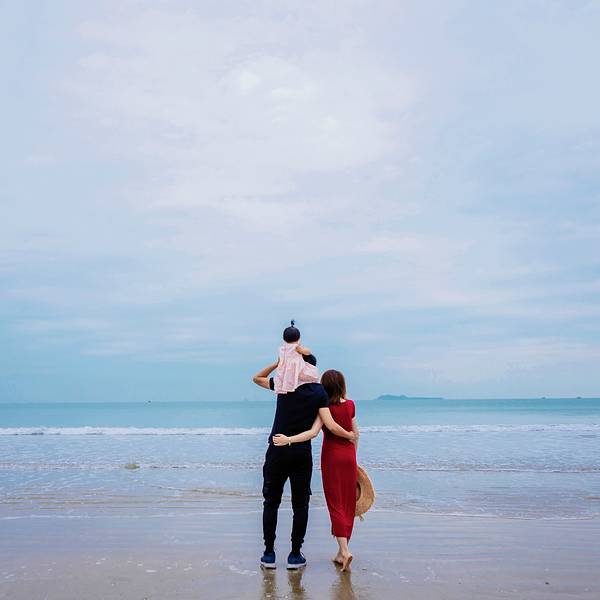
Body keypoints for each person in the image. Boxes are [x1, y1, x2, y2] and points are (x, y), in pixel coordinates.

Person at [252, 322, 355, 571]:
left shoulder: (281, 385)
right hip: (301, 453)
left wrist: (278, 363)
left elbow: (257, 378)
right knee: (300, 504)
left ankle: (269, 554)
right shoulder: (318, 391)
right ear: (310, 366)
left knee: (271, 502)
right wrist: (349, 435)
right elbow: (328, 423)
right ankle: (295, 555)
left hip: (277, 450)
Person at [273, 369, 359, 571]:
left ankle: (345, 551)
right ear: (342, 385)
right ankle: (341, 553)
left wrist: (288, 439)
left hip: (332, 458)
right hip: (349, 457)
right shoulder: (351, 405)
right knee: (348, 503)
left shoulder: (324, 407)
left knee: (335, 504)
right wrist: (354, 457)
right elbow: (356, 434)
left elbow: (312, 433)